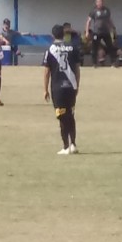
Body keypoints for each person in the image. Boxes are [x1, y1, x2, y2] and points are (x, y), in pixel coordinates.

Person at [43, 24, 81, 155]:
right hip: (71, 87)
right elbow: (77, 69)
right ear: (64, 34)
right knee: (71, 115)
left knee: (62, 117)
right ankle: (73, 144)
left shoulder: (50, 49)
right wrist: (77, 85)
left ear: (53, 35)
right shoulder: (72, 47)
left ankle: (66, 146)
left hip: (58, 88)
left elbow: (47, 72)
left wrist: (45, 89)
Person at [85, 0, 117, 67]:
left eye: (101, 2)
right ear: (96, 3)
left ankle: (113, 63)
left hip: (106, 31)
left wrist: (113, 28)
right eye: (98, 2)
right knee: (94, 47)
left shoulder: (106, 10)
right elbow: (88, 21)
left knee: (110, 46)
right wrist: (87, 31)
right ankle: (94, 63)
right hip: (97, 32)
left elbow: (109, 20)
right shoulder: (93, 11)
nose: (100, 3)